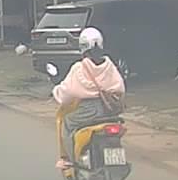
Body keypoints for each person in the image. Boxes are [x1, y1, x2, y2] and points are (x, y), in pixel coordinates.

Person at [52, 27, 125, 169]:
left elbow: (68, 91)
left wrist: (56, 92)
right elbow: (120, 88)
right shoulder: (109, 65)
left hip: (87, 110)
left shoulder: (79, 68)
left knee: (67, 122)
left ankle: (70, 160)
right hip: (109, 111)